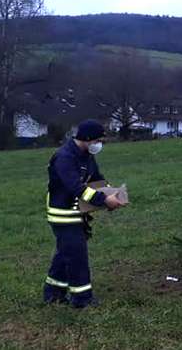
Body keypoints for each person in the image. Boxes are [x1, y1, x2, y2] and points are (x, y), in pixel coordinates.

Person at [43, 120, 126, 308]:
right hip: (62, 214)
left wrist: (109, 192)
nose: (100, 144)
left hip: (77, 212)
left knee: (66, 253)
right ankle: (82, 299)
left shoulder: (86, 155)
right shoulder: (64, 157)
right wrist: (103, 200)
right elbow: (76, 188)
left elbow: (95, 178)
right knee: (77, 257)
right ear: (87, 139)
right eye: (98, 140)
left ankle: (53, 293)